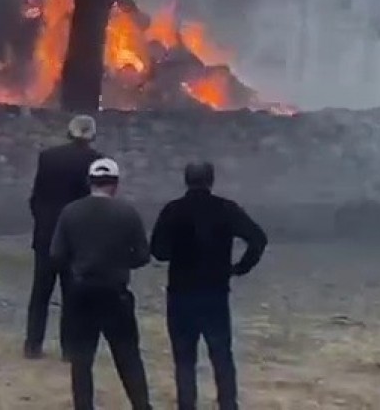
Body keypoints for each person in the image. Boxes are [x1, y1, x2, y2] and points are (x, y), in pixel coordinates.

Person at [151, 162, 268, 410]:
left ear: (186, 180)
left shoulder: (173, 210)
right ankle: (227, 404)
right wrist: (240, 267)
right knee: (222, 355)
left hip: (181, 292)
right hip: (215, 291)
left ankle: (187, 405)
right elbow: (258, 238)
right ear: (211, 180)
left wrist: (178, 251)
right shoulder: (225, 208)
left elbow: (158, 252)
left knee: (184, 359)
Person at [51, 157, 153, 410]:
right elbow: (142, 255)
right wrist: (120, 262)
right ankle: (141, 405)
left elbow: (56, 254)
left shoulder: (70, 212)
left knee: (82, 361)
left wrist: (78, 264)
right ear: (115, 184)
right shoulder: (127, 213)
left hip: (81, 294)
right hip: (115, 294)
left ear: (90, 182)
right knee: (128, 356)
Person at [25, 113, 101, 359]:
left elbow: (37, 196)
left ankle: (33, 344)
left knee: (40, 293)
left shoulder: (48, 158)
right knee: (72, 295)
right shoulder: (97, 162)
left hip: (47, 234)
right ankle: (69, 349)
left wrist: (42, 221)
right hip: (78, 240)